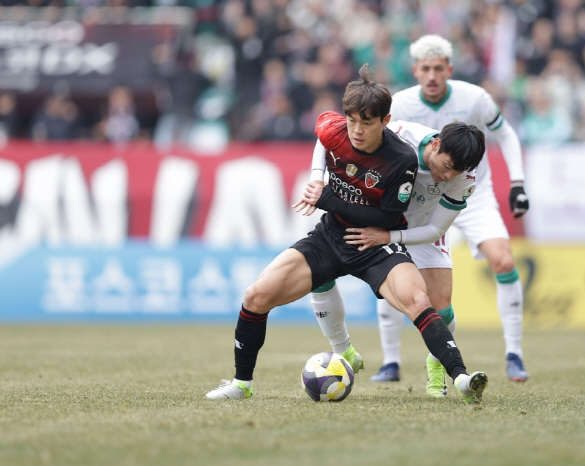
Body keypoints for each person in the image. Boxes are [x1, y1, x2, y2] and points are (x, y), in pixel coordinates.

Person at [205, 64, 488, 403]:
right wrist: (316, 177)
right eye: (352, 120)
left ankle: (459, 379)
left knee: (422, 302)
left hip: (383, 238)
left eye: (366, 123)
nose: (356, 130)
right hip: (333, 235)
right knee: (255, 296)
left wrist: (330, 200)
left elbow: (393, 218)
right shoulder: (340, 127)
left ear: (383, 123)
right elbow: (325, 139)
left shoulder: (402, 158)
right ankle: (241, 384)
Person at [370, 34, 530, 384]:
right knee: (387, 270)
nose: (431, 76)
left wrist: (517, 182)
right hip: (414, 200)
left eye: (438, 69)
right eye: (425, 69)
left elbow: (508, 136)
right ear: (415, 70)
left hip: (470, 192)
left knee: (502, 260)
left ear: (449, 69)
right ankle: (390, 361)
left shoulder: (475, 98)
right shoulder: (401, 105)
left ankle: (514, 353)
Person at [308, 119, 486, 397]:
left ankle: (437, 364)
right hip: (370, 219)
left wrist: (388, 237)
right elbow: (328, 134)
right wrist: (317, 176)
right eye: (448, 166)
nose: (448, 176)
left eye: (457, 171)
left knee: (440, 303)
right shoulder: (401, 135)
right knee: (318, 274)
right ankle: (344, 350)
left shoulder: (464, 179)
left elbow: (436, 229)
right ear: (436, 143)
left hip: (418, 231)